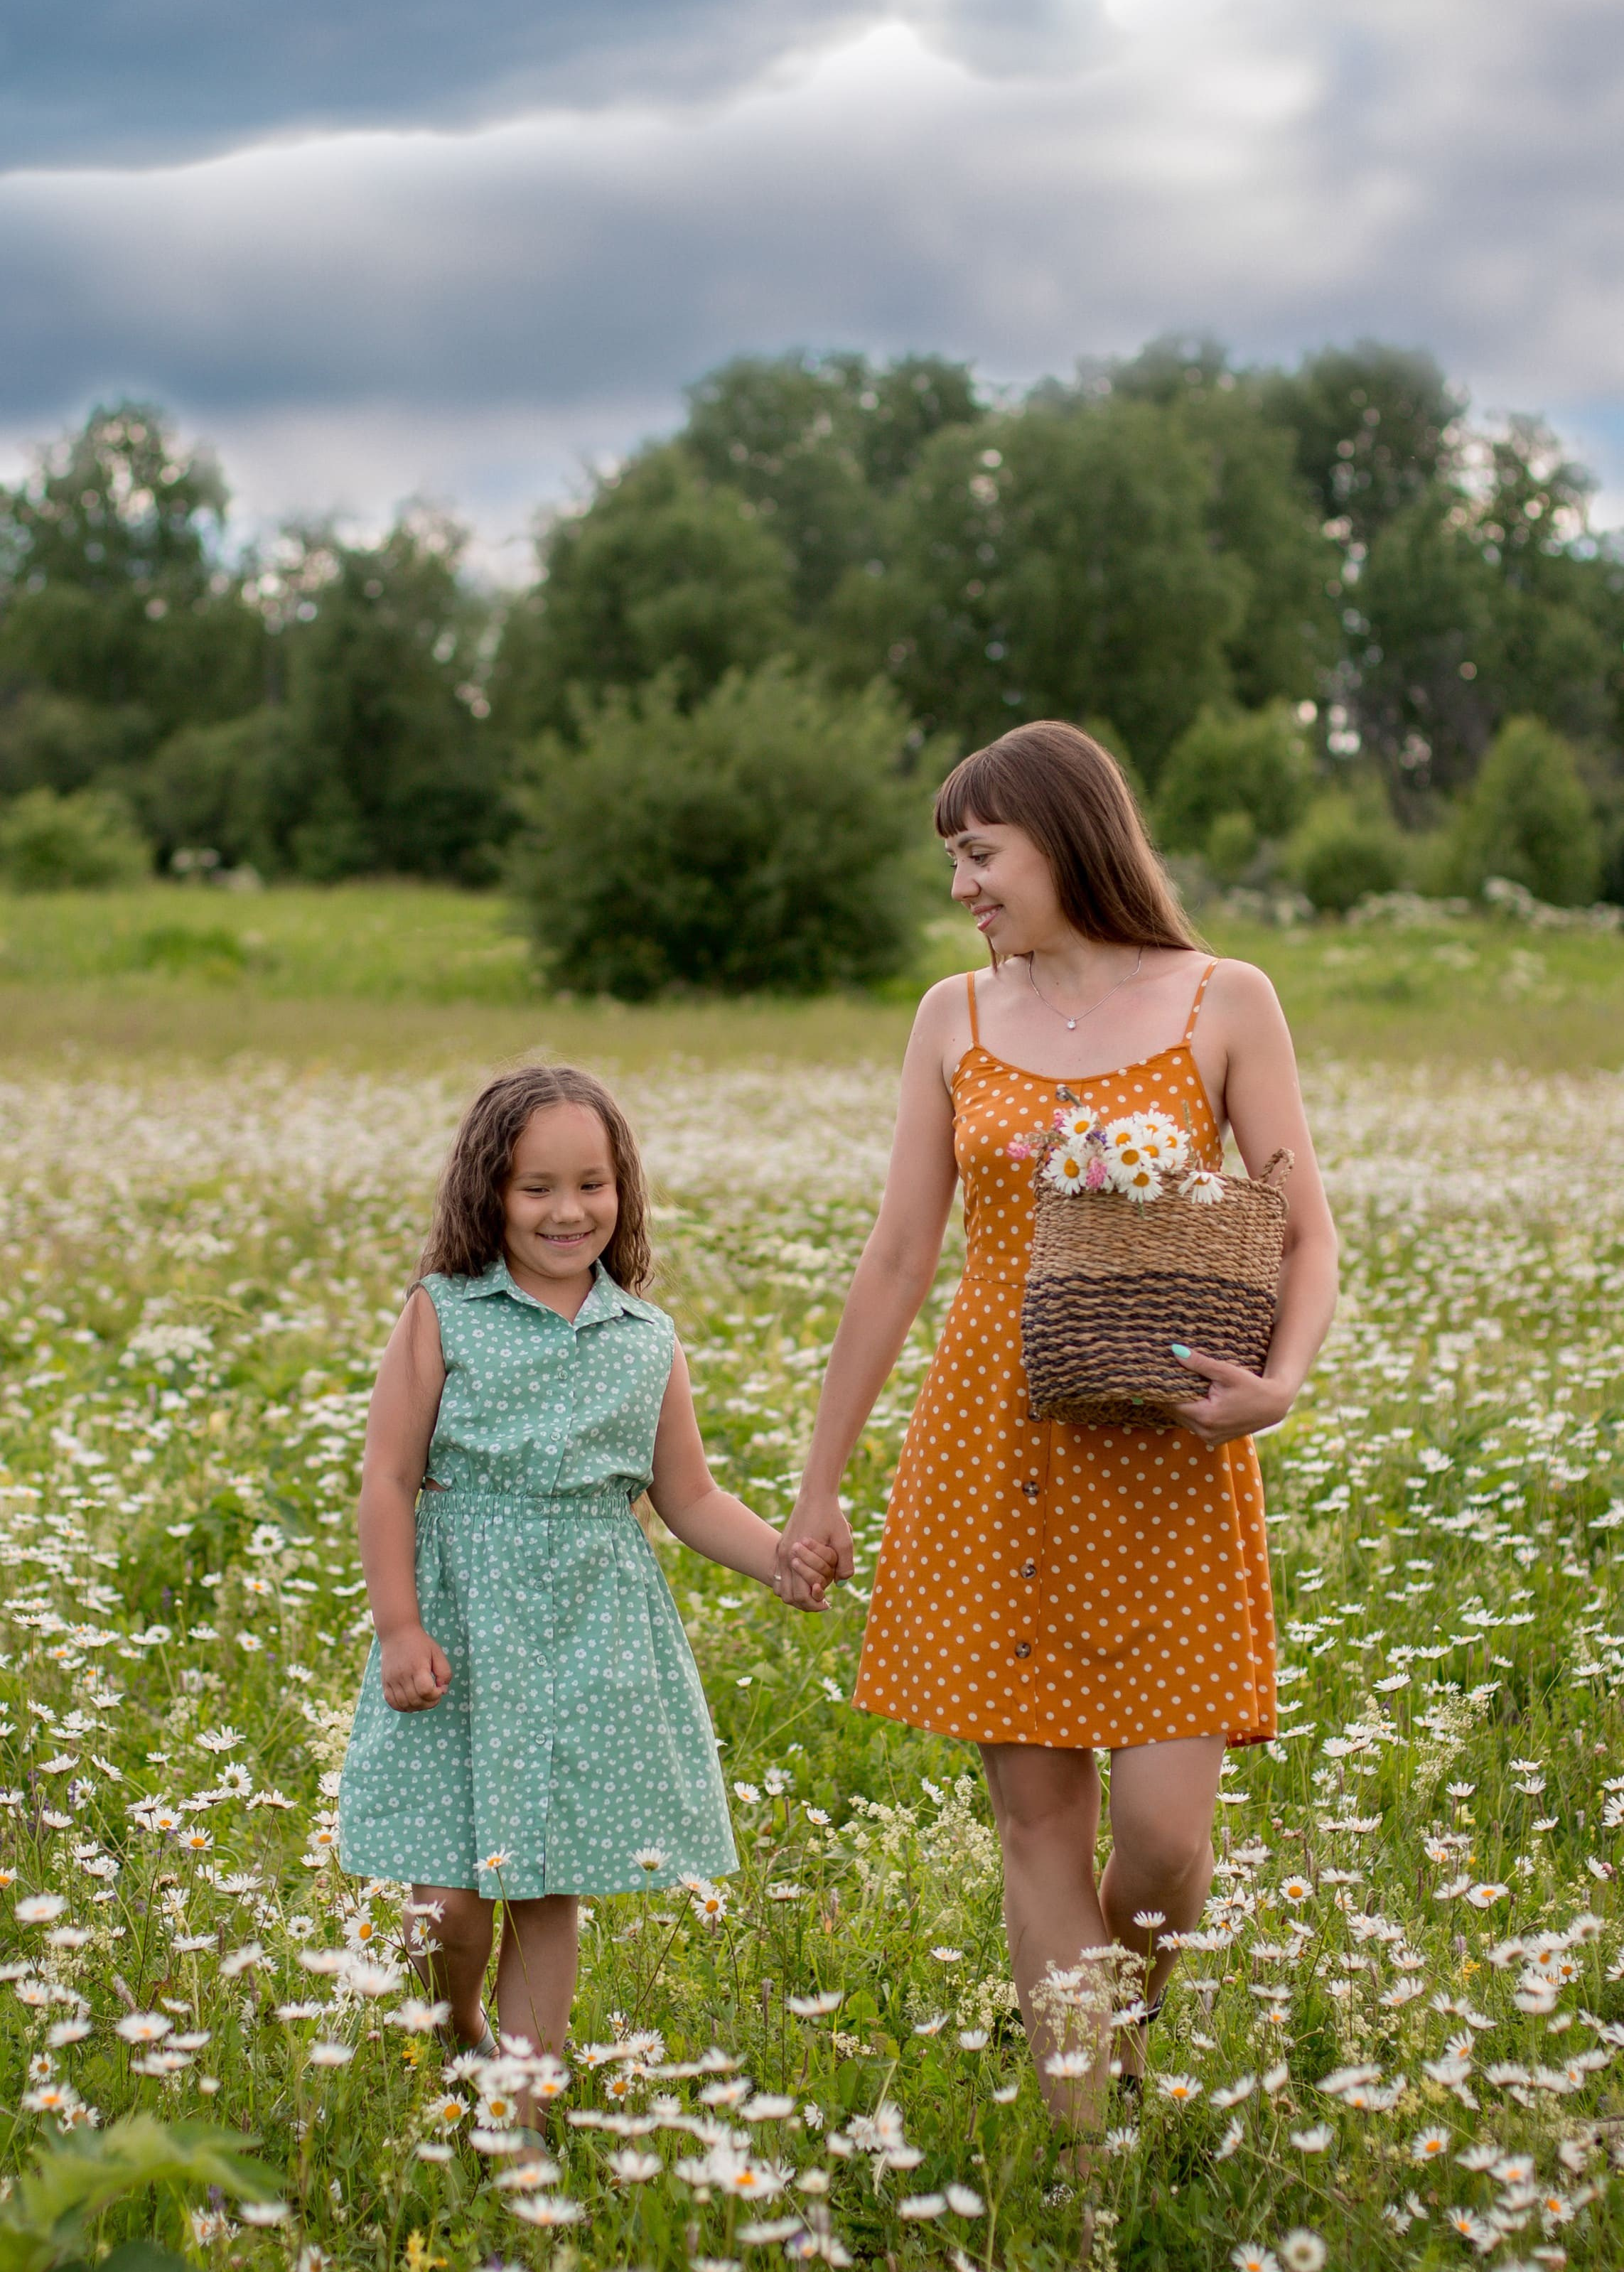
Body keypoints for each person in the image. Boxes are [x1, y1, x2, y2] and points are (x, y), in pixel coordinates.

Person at [775, 721, 1338, 2149]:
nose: (962, 884)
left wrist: (1282, 1377)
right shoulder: (951, 1018)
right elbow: (901, 1254)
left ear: (1066, 835)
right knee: (1036, 1822)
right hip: (992, 1447)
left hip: (1171, 1448)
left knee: (1163, 1838)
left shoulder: (1225, 997)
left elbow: (1306, 1224)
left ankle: (1122, 2033)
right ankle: (1084, 2146)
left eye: (980, 853)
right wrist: (820, 1479)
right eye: (952, 861)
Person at [338, 1063, 836, 2117]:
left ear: (624, 1191)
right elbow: (386, 1476)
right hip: (462, 1619)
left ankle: (519, 2108)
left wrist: (779, 1557)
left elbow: (688, 1495)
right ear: (489, 1195)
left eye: (592, 1185)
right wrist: (399, 1626)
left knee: (545, 1876)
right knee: (449, 1904)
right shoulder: (444, 1312)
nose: (568, 1212)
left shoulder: (643, 1336)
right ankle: (455, 2018)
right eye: (536, 1189)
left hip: (589, 1625)